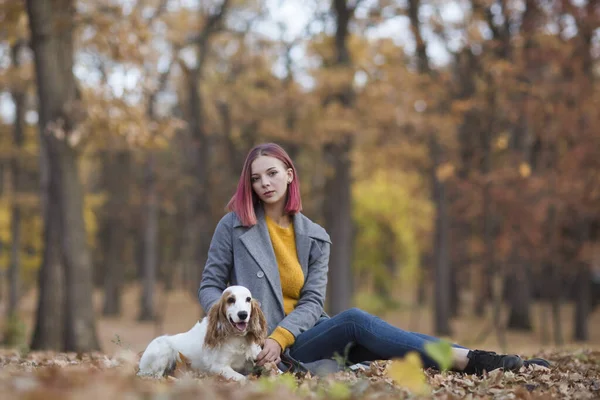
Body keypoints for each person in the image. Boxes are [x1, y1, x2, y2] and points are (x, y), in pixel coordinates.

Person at [198, 142, 549, 376]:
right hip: (258, 343)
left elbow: (312, 302)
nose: (264, 184)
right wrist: (229, 321)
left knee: (390, 337)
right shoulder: (234, 227)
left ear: (289, 174)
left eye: (272, 173)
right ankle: (478, 361)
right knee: (355, 321)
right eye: (256, 178)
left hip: (298, 336)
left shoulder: (316, 236)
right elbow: (210, 284)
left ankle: (490, 361)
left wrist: (281, 338)